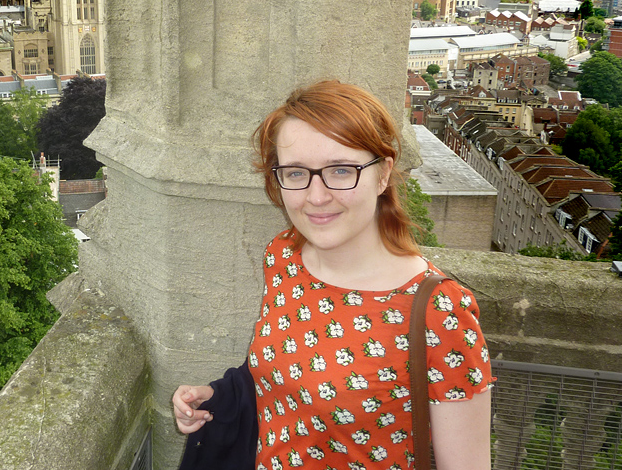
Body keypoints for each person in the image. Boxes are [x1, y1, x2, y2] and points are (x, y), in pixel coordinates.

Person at [173, 80, 493, 470]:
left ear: (383, 173)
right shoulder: (284, 256)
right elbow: (284, 373)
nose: (317, 196)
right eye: (295, 173)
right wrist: (214, 397)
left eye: (341, 170)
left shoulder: (439, 311)